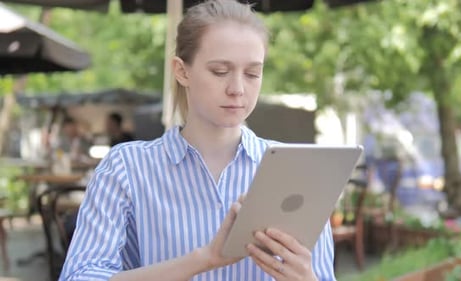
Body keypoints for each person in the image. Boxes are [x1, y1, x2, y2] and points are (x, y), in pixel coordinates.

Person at [60, 1, 335, 280]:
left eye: (252, 73)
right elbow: (80, 276)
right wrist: (203, 260)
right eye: (220, 71)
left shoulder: (297, 171)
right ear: (182, 71)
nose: (237, 89)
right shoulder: (127, 168)